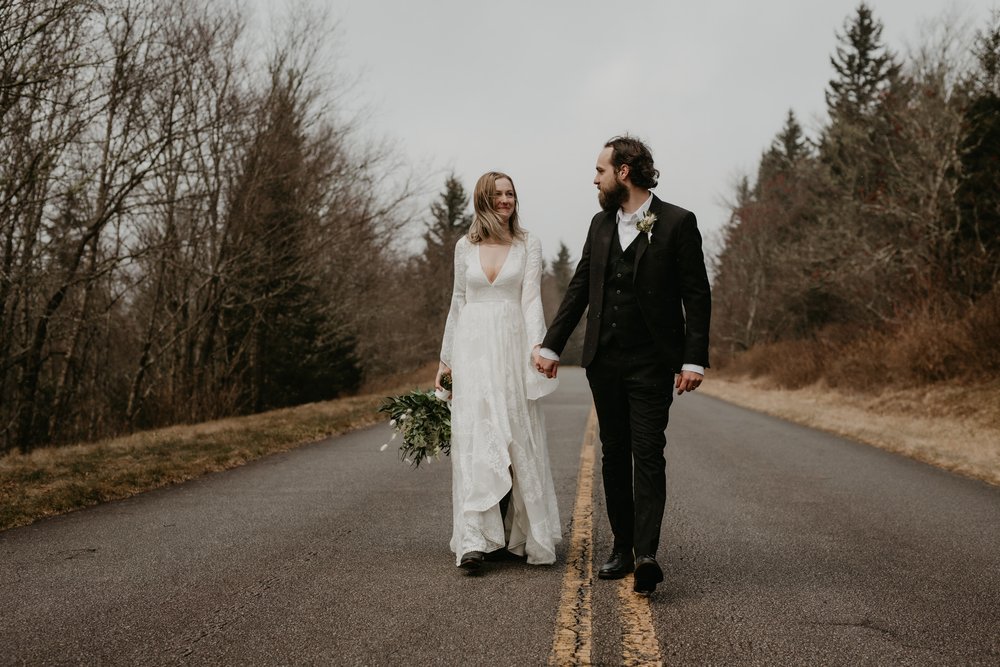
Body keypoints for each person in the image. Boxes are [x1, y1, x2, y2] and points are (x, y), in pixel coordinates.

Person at [537, 136, 711, 594]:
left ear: (624, 172)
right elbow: (580, 289)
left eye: (599, 170)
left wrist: (694, 358)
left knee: (648, 452)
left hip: (654, 362)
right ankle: (622, 547)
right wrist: (552, 347)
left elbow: (696, 294)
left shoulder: (677, 222)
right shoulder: (599, 224)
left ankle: (647, 553)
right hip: (604, 360)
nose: (594, 178)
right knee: (614, 453)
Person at [436, 171, 561, 572]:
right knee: (475, 436)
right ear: (483, 200)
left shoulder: (528, 244)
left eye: (510, 194)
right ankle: (474, 540)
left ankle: (521, 534)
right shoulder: (464, 247)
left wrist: (538, 348)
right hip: (472, 349)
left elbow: (530, 302)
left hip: (510, 347)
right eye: (498, 194)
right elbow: (458, 302)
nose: (506, 200)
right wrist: (446, 360)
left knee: (514, 438)